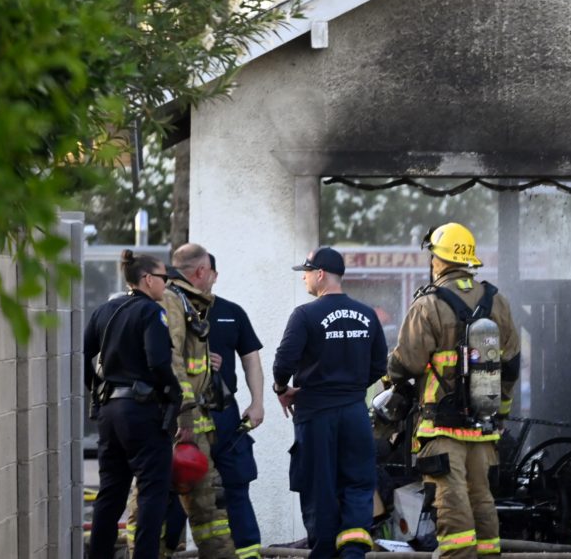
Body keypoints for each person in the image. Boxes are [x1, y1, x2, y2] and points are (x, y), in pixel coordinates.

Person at [387, 222, 521, 559]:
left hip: (441, 425)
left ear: (438, 259)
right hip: (484, 425)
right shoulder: (497, 301)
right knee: (482, 499)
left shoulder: (428, 304)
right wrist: (499, 412)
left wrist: (390, 376)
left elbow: (408, 362)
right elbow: (511, 365)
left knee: (451, 500)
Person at [273, 246, 387, 559]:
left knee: (318, 486)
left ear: (320, 274)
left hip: (316, 415)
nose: (304, 278)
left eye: (307, 272)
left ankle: (323, 552)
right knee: (358, 485)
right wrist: (350, 388)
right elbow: (379, 366)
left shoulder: (304, 315)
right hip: (355, 414)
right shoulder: (367, 314)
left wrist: (282, 388)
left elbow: (283, 362)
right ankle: (352, 552)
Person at [126, 243, 236, 557]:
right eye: (211, 273)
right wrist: (184, 412)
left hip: (177, 420)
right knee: (194, 506)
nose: (213, 280)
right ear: (201, 271)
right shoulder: (173, 302)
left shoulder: (180, 301)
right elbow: (170, 359)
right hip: (179, 424)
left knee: (195, 505)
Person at [162, 253, 265, 559]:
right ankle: (167, 550)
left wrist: (257, 403)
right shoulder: (171, 309)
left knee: (236, 483)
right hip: (185, 415)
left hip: (224, 413)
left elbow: (251, 359)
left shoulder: (232, 312)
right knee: (179, 484)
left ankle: (247, 553)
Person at [84, 250, 181, 559]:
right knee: (153, 491)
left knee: (110, 492)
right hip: (142, 411)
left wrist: (98, 389)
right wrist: (174, 393)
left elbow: (84, 356)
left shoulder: (105, 311)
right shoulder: (151, 312)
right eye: (164, 278)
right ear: (147, 279)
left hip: (110, 412)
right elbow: (158, 362)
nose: (166, 284)